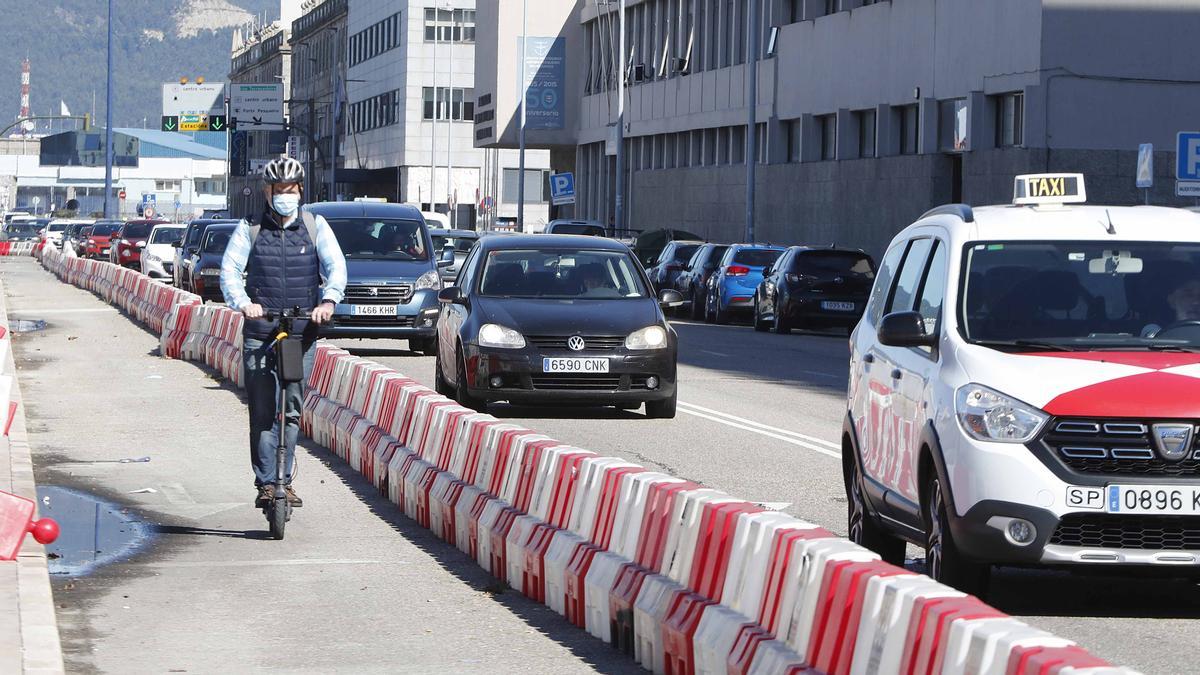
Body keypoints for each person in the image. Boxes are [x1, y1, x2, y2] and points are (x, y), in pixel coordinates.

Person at [220, 157, 347, 508]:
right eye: (278, 190)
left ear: (300, 190)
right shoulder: (251, 228)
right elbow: (230, 271)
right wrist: (243, 302)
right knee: (262, 410)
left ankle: (284, 479)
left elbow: (336, 267)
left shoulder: (314, 225)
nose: (285, 196)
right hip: (261, 331)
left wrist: (329, 301)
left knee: (291, 409)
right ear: (267, 192)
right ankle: (265, 482)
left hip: (300, 332)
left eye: (290, 190)